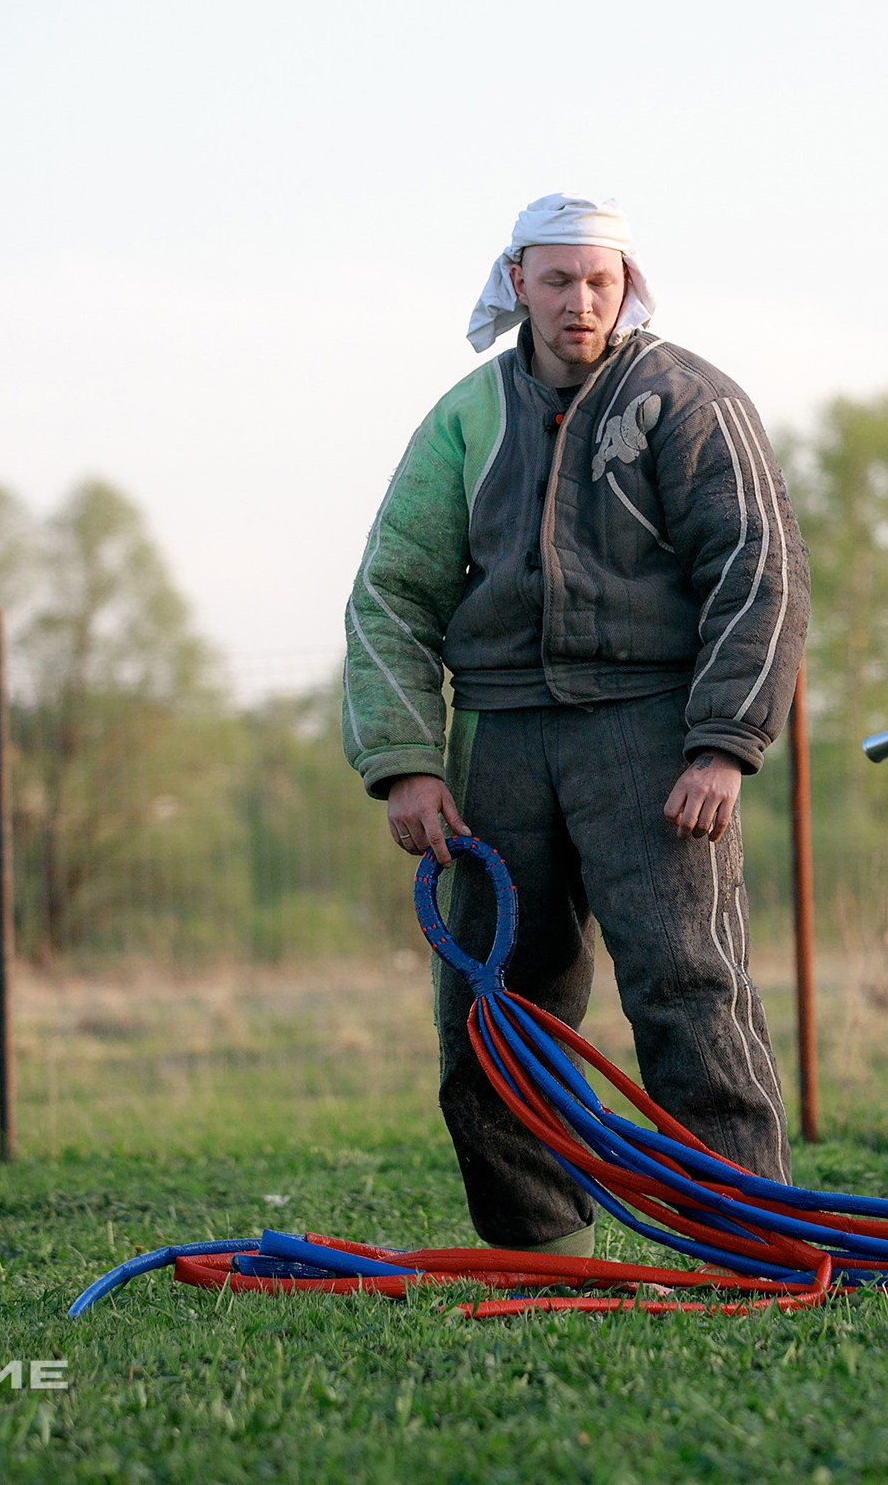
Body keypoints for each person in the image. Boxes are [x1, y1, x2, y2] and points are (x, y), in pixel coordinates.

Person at [342, 193, 808, 1259]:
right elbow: (390, 594)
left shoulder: (690, 400)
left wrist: (723, 743)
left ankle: (751, 1244)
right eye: (556, 280)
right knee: (493, 1006)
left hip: (652, 733)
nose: (579, 302)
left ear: (627, 284)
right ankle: (539, 1247)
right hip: (499, 737)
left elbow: (760, 568)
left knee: (688, 987)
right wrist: (406, 762)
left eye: (599, 281)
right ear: (517, 282)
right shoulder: (464, 418)